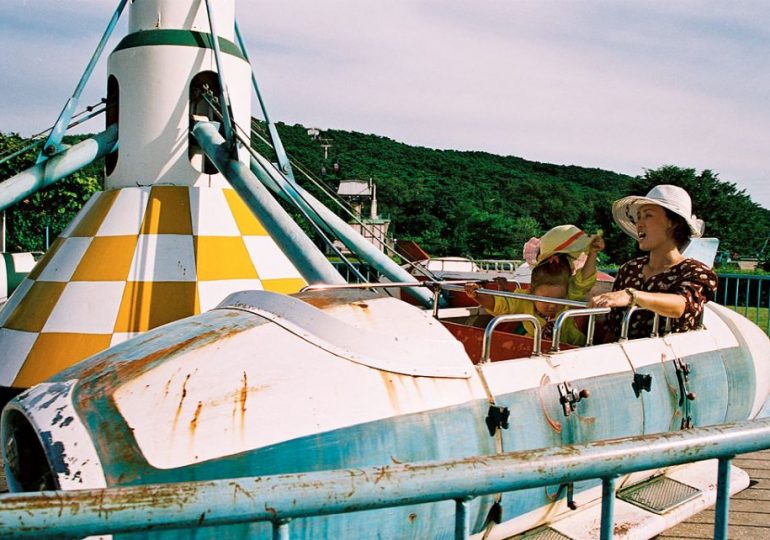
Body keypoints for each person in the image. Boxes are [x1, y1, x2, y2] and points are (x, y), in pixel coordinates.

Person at [589, 184, 717, 340]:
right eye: (638, 217)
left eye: (648, 215)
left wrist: (632, 296)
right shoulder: (630, 269)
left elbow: (682, 305)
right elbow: (613, 328)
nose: (639, 223)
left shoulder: (696, 272)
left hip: (670, 359)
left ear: (673, 222)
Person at [465, 225, 604, 346]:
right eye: (546, 299)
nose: (552, 305)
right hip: (534, 344)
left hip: (570, 345)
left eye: (558, 299)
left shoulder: (570, 292)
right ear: (531, 291)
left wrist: (592, 253)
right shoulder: (524, 299)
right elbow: (500, 304)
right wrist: (477, 294)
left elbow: (583, 280)